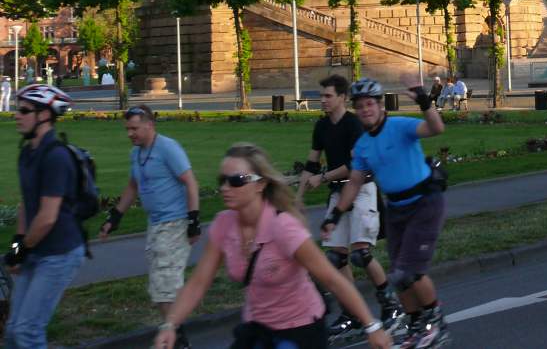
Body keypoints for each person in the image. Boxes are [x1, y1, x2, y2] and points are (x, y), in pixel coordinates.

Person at [153, 144, 391, 349]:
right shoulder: (224, 224)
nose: (225, 187)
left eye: (236, 180)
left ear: (260, 184)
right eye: (222, 180)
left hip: (300, 329)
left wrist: (372, 325)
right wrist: (170, 325)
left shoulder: (283, 227)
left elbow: (332, 279)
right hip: (257, 327)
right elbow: (198, 283)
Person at [325, 78, 448, 348]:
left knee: (411, 271)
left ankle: (435, 322)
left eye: (370, 104)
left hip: (425, 202)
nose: (366, 110)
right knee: (396, 275)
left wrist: (424, 102)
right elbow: (354, 182)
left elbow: (436, 128)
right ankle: (416, 324)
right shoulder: (363, 146)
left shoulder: (399, 126)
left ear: (381, 106)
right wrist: (335, 215)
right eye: (360, 106)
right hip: (396, 209)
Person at [297, 75, 401, 340]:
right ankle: (352, 312)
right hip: (337, 191)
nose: (323, 101)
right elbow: (312, 162)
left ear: (342, 98)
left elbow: (355, 166)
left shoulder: (354, 125)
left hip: (363, 189)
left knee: (360, 253)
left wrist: (323, 177)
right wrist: (298, 197)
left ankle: (391, 304)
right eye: (322, 96)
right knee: (335, 257)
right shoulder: (321, 126)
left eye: (328, 96)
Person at [98, 105, 202, 348]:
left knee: (165, 285)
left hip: (175, 223)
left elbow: (190, 182)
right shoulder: (137, 153)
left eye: (134, 128)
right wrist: (114, 218)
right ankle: (176, 336)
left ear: (149, 125)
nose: (130, 134)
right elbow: (133, 186)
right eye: (127, 129)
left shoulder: (168, 148)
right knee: (159, 287)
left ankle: (176, 339)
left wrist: (193, 220)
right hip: (155, 224)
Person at [4, 85, 86, 348]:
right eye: (18, 109)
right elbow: (27, 207)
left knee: (28, 330)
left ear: (45, 116)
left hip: (59, 253)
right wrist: (18, 249)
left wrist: (21, 252)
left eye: (25, 110)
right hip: (37, 249)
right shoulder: (28, 153)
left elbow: (47, 217)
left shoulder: (56, 157)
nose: (18, 115)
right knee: (15, 329)